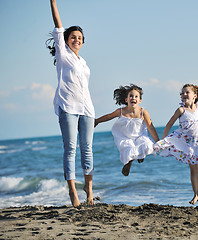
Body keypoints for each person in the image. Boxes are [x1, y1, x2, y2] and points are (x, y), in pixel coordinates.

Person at [46, 0, 95, 207]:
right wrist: (53, 1)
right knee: (71, 149)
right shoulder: (63, 55)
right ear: (66, 40)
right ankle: (72, 192)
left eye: (80, 38)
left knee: (88, 149)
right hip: (67, 107)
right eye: (73, 37)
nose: (76, 40)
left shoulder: (83, 62)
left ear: (83, 42)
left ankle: (89, 190)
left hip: (87, 108)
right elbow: (58, 24)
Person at [154, 84, 198, 205]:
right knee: (194, 170)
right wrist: (163, 140)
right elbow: (169, 124)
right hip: (189, 144)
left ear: (195, 96)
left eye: (187, 92)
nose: (184, 95)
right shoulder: (181, 110)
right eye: (182, 93)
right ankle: (196, 194)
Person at [95, 84, 159, 176]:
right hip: (125, 136)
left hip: (139, 136)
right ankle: (128, 163)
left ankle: (141, 155)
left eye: (136, 96)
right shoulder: (121, 111)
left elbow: (151, 127)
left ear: (140, 100)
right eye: (131, 96)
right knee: (128, 149)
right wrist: (97, 121)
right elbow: (109, 116)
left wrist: (158, 141)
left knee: (147, 145)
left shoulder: (143, 112)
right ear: (126, 99)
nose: (133, 98)